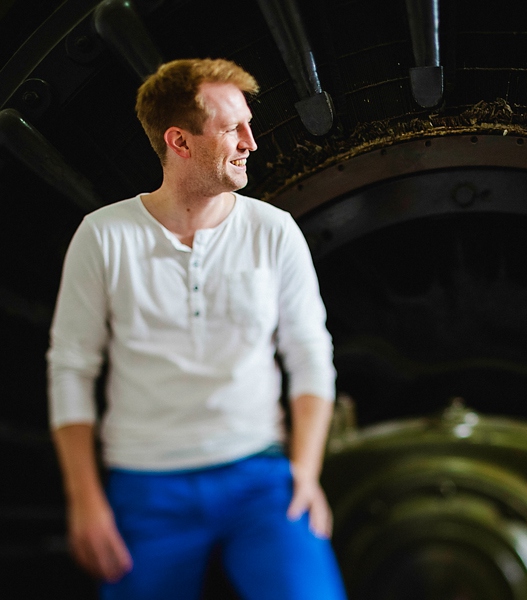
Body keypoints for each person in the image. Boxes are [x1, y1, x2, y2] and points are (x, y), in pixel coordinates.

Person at [46, 58, 347, 600]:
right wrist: (86, 501)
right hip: (146, 487)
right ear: (179, 143)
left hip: (260, 479)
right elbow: (71, 369)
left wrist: (304, 472)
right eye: (233, 128)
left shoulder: (273, 231)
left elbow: (309, 355)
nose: (251, 142)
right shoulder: (103, 236)